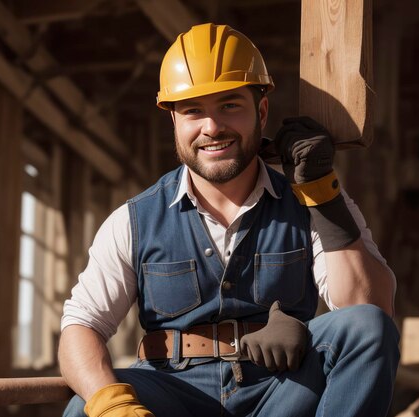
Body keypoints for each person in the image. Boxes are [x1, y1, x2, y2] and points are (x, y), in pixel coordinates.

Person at [59, 23, 399, 417]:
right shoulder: (133, 221)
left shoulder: (313, 202)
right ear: (174, 121)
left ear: (262, 110)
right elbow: (80, 329)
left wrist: (322, 195)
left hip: (284, 390)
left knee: (366, 327)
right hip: (175, 391)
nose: (212, 127)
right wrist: (112, 406)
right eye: (193, 111)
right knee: (85, 407)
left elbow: (369, 310)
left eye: (230, 105)